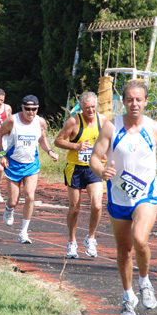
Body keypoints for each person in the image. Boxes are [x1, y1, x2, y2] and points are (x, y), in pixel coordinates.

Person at [89, 80, 157, 315]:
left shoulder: (156, 128)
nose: (134, 103)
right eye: (129, 99)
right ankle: (128, 298)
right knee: (124, 252)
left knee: (139, 238)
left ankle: (145, 281)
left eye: (139, 99)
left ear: (146, 101)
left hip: (146, 194)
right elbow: (95, 157)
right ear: (123, 101)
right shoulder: (111, 127)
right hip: (118, 197)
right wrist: (101, 171)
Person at [0, 95, 59, 244]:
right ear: (22, 108)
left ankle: (23, 232)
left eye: (34, 109)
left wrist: (50, 152)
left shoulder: (40, 122)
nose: (31, 112)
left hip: (31, 164)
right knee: (13, 200)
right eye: (28, 109)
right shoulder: (13, 121)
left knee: (30, 196)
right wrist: (2, 155)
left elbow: (42, 139)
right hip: (13, 164)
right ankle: (8, 208)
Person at [54, 92, 107, 259]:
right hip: (75, 168)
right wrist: (76, 146)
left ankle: (90, 238)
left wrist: (106, 153)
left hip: (94, 168)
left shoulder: (103, 121)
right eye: (86, 108)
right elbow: (58, 141)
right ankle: (71, 241)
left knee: (97, 205)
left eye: (93, 107)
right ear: (81, 107)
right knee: (75, 208)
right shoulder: (74, 121)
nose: (90, 110)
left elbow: (109, 142)